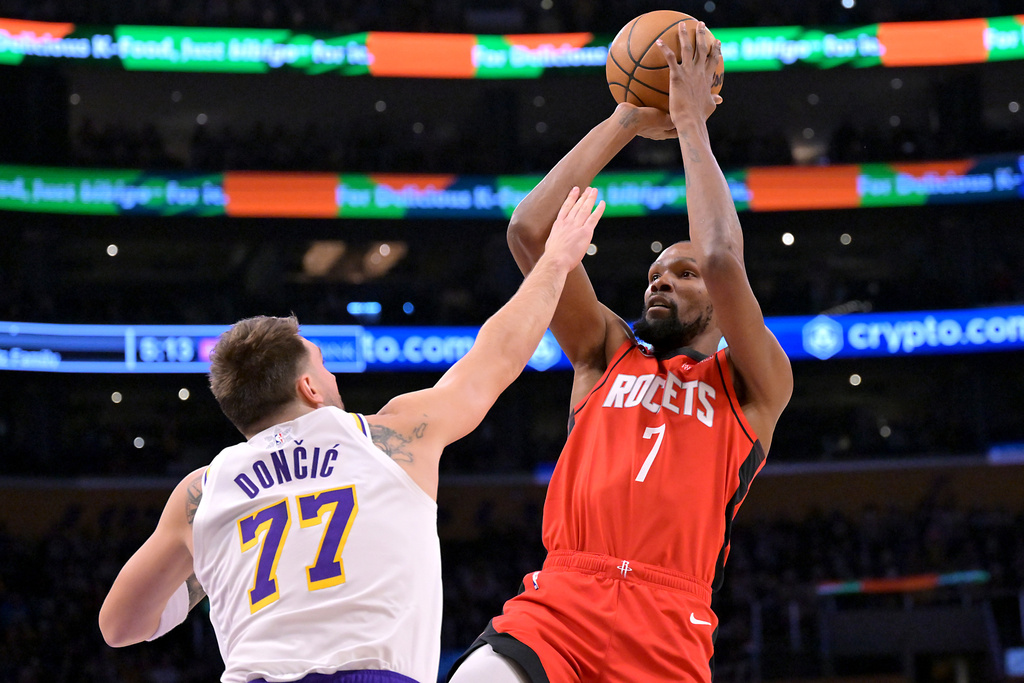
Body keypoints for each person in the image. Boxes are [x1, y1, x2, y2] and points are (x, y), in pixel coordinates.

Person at [98, 187, 607, 683]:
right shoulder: (391, 437)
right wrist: (556, 260)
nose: (333, 376)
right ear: (309, 388)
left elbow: (120, 626)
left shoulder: (202, 492)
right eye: (324, 365)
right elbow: (495, 357)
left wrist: (206, 566)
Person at [447, 24, 793, 683]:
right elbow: (529, 230)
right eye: (656, 272)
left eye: (681, 274)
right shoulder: (605, 353)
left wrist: (692, 122)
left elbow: (721, 256)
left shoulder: (755, 382)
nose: (661, 279)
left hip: (669, 622)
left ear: (723, 304)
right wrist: (627, 118)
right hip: (559, 603)